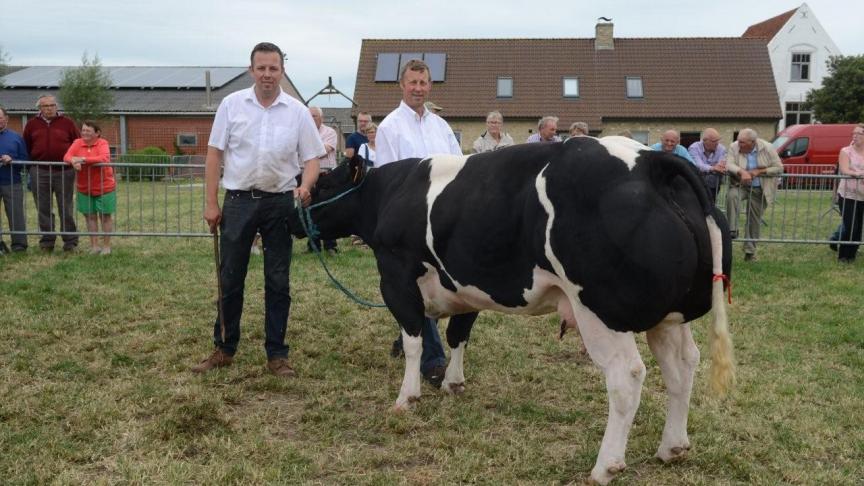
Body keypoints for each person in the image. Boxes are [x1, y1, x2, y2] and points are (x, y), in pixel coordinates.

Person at [192, 42, 325, 377]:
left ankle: (277, 354)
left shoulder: (297, 111)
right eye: (262, 68)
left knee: (278, 280)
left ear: (282, 71)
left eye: (274, 68)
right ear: (252, 70)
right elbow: (214, 155)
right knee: (230, 277)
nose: (268, 74)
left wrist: (305, 186)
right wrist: (210, 203)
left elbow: (312, 159)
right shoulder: (231, 105)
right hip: (237, 202)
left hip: (280, 202)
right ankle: (224, 348)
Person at [376, 58, 462, 387]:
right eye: (412, 82)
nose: (418, 88)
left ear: (430, 85)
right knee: (418, 286)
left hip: (443, 220)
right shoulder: (390, 127)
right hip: (409, 223)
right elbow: (387, 178)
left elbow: (459, 167)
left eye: (423, 82)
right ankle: (434, 361)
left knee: (436, 288)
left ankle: (405, 335)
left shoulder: (441, 126)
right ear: (402, 85)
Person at [23, 94, 80, 252]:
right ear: (40, 108)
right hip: (39, 171)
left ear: (57, 106)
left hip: (64, 171)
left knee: (66, 207)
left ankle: (70, 242)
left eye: (52, 105)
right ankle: (47, 241)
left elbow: (77, 143)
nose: (49, 109)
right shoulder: (31, 125)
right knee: (43, 208)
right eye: (45, 106)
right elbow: (26, 147)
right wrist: (31, 168)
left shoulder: (67, 123)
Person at [725, 128, 784, 261]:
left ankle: (749, 252)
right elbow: (729, 164)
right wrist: (741, 171)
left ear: (753, 142)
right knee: (732, 196)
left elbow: (779, 168)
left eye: (742, 142)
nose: (739, 144)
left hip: (760, 189)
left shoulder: (767, 148)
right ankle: (732, 230)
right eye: (738, 141)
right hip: (740, 185)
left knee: (753, 220)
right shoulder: (733, 147)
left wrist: (759, 171)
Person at [63, 120, 116, 255]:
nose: (84, 133)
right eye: (83, 130)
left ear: (97, 133)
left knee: (105, 216)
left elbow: (104, 158)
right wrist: (73, 161)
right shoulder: (77, 143)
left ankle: (106, 246)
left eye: (88, 131)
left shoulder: (102, 143)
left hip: (104, 187)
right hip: (84, 187)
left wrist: (82, 159)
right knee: (90, 217)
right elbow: (67, 156)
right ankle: (94, 246)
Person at [308, 106, 339, 255]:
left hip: (326, 176)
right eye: (309, 116)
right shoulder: (303, 132)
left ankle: (330, 245)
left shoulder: (330, 132)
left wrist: (307, 150)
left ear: (321, 118)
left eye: (314, 116)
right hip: (308, 176)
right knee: (310, 209)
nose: (311, 118)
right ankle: (313, 245)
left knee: (329, 210)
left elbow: (324, 151)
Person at [0, 106, 29, 254]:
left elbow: (25, 161)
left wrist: (13, 159)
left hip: (12, 182)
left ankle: (19, 245)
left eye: (0, 117)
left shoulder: (16, 138)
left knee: (16, 214)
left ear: (6, 119)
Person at [835, 123, 864, 263]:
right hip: (848, 195)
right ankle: (843, 255)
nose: (855, 136)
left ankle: (852, 255)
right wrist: (857, 174)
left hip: (862, 196)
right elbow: (845, 169)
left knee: (859, 227)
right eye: (854, 133)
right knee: (851, 225)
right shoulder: (846, 151)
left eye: (859, 133)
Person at [688, 128, 728, 204]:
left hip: (713, 185)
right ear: (705, 141)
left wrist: (707, 169)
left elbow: (721, 166)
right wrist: (713, 168)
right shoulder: (694, 148)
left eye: (718, 140)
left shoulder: (721, 149)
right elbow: (697, 165)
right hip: (696, 184)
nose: (717, 143)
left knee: (710, 205)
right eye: (714, 141)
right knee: (696, 205)